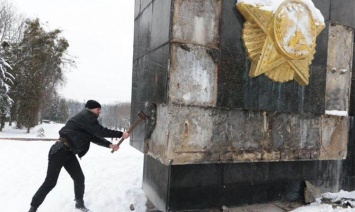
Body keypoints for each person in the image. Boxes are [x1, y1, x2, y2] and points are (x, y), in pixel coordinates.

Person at [28, 100, 129, 212]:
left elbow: (94, 137)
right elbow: (100, 131)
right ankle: (33, 208)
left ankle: (79, 204)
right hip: (60, 151)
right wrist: (120, 134)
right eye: (98, 109)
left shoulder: (87, 121)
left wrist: (109, 145)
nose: (99, 112)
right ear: (91, 109)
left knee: (79, 178)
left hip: (68, 153)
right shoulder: (86, 116)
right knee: (50, 182)